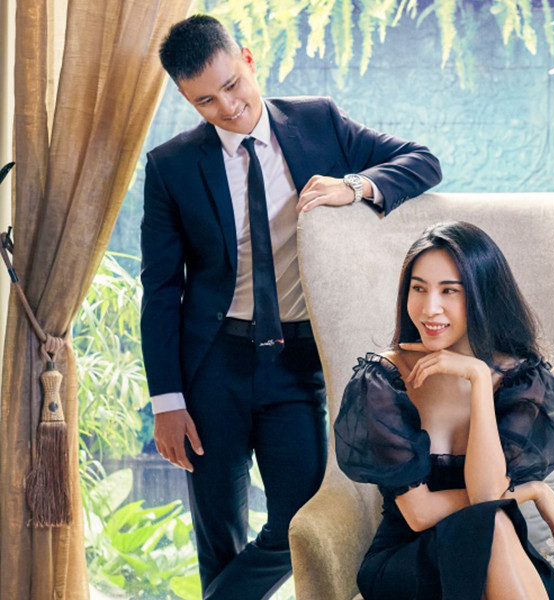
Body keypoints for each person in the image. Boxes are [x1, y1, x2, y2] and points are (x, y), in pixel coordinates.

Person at [140, 14, 441, 600]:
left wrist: (354, 187)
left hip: (296, 364)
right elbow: (160, 291)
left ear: (248, 60)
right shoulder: (171, 166)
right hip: (212, 366)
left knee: (298, 523)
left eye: (232, 85)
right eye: (205, 101)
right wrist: (167, 401)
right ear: (186, 99)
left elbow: (423, 160)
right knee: (218, 534)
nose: (228, 107)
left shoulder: (318, 122)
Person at [334, 222, 554, 600]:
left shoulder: (521, 379)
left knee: (494, 525)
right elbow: (420, 514)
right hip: (410, 558)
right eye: (419, 288)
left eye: (449, 291)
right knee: (494, 522)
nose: (429, 308)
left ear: (483, 295)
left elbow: (487, 494)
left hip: (494, 550)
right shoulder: (383, 380)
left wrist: (478, 378)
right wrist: (531, 490)